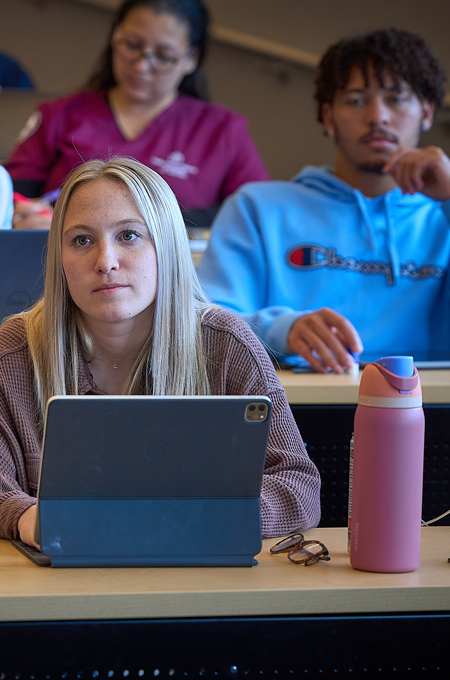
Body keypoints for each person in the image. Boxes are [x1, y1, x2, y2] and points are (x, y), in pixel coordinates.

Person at [0, 157, 320, 549]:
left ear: (165, 244)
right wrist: (32, 519)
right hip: (59, 582)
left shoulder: (225, 342)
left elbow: (298, 484)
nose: (106, 262)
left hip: (197, 579)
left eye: (129, 235)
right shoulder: (14, 350)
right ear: (59, 258)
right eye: (82, 240)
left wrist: (192, 520)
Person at [198, 28, 450, 373]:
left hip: (433, 408)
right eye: (357, 100)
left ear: (426, 112)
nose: (378, 116)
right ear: (329, 116)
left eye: (397, 98)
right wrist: (283, 331)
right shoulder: (258, 207)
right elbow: (206, 323)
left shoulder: (443, 217)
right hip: (294, 411)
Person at [5, 0, 269, 230]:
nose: (142, 65)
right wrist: (24, 215)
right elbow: (13, 194)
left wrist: (153, 224)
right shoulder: (59, 115)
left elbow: (257, 211)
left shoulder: (222, 129)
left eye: (163, 56)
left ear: (191, 58)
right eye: (132, 45)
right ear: (114, 38)